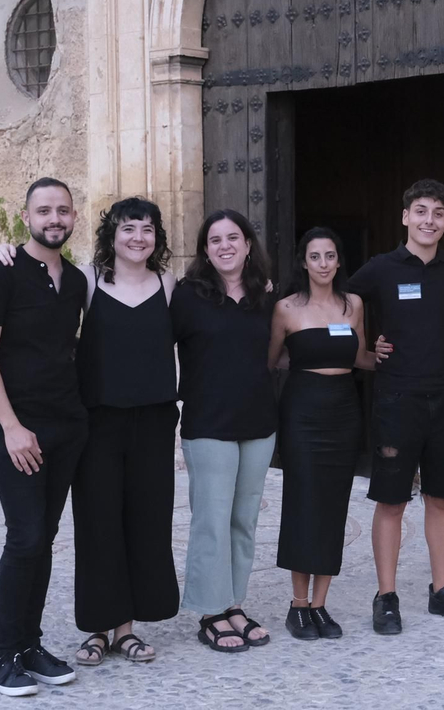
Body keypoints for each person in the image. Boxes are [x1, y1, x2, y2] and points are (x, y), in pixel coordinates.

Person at [0, 198, 182, 666]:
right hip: (96, 424)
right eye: (128, 228)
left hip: (153, 424)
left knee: (144, 523)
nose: (138, 237)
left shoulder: (169, 284)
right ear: (110, 235)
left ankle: (128, 629)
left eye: (147, 229)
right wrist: (1, 250)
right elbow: (38, 276)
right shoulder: (88, 281)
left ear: (157, 238)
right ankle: (97, 628)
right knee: (97, 524)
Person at [348, 179, 444, 634]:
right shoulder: (381, 269)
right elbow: (339, 301)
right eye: (421, 211)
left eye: (439, 213)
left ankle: (441, 590)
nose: (430, 220)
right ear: (405, 216)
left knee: (441, 497)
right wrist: (365, 344)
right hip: (396, 399)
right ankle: (386, 596)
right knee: (391, 501)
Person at [0, 178, 88, 696]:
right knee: (26, 537)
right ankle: (4, 656)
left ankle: (30, 645)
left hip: (66, 424)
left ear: (74, 217)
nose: (54, 219)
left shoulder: (78, 280)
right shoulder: (0, 275)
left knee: (46, 540)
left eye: (62, 210)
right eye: (44, 211)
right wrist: (12, 427)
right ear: (26, 217)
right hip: (15, 427)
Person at [267, 228, 382, 641]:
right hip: (301, 408)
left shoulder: (353, 305)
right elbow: (272, 358)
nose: (322, 263)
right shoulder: (285, 308)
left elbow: (360, 357)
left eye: (329, 256)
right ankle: (298, 605)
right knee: (303, 502)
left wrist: (385, 357)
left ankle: (320, 604)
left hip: (343, 409)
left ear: (338, 261)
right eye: (315, 256)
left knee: (334, 503)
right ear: (303, 261)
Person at [172, 209, 278, 652]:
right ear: (205, 250)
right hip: (208, 424)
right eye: (214, 240)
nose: (225, 246)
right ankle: (211, 612)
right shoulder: (186, 295)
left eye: (233, 238)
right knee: (212, 521)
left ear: (248, 244)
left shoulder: (265, 297)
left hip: (257, 423)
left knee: (243, 520)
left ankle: (234, 602)